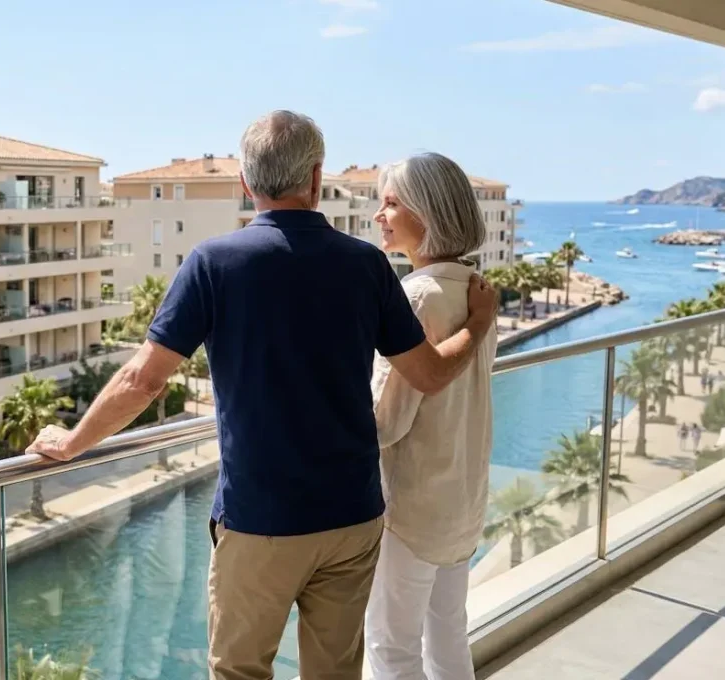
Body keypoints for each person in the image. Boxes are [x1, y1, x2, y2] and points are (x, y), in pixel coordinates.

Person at [25, 110, 496, 680]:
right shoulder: (367, 264)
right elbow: (428, 374)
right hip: (353, 517)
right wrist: (478, 321)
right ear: (317, 177)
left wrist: (74, 442)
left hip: (261, 519)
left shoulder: (213, 263)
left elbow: (143, 381)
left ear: (246, 184)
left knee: (241, 671)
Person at [362, 153, 497, 680]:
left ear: (429, 213)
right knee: (447, 636)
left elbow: (386, 422)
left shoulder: (416, 297)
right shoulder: (474, 291)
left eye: (391, 203)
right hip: (460, 499)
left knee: (391, 649)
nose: (380, 215)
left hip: (413, 506)